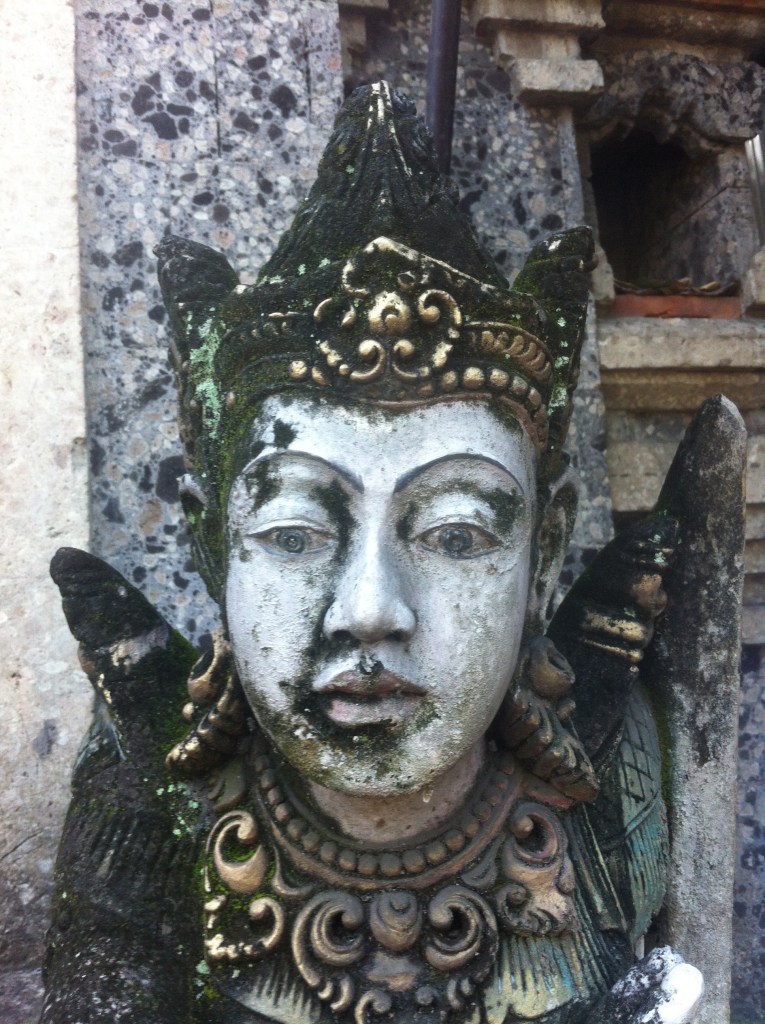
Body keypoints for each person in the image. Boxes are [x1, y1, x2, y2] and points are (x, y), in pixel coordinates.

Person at [41, 83, 703, 1024]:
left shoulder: (610, 776)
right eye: (294, 535)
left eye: (456, 535)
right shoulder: (154, 795)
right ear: (210, 546)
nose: (367, 610)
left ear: (544, 551)